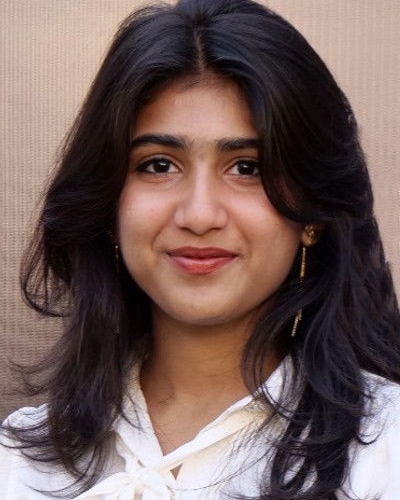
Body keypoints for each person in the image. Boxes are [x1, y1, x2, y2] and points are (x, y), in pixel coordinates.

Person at [1, 0, 400, 498]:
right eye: (159, 165)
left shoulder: (386, 451)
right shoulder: (19, 465)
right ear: (108, 203)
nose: (199, 214)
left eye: (247, 168)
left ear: (312, 214)